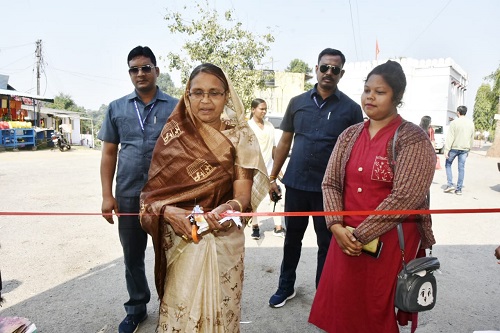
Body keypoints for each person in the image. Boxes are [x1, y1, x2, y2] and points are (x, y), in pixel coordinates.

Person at [309, 60, 436, 333]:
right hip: (344, 236)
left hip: (388, 239)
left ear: (397, 97)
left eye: (380, 92)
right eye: (367, 90)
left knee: (376, 310)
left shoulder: (412, 139)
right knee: (342, 306)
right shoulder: (349, 134)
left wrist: (360, 235)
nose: (370, 97)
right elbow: (330, 183)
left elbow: (405, 197)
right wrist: (335, 225)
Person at [139, 63, 269, 332]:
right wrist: (168, 213)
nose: (206, 100)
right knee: (182, 314)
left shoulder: (240, 135)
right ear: (187, 96)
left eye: (214, 93)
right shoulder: (174, 134)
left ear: (227, 96)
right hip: (181, 240)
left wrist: (228, 207)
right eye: (197, 92)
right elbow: (151, 197)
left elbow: (242, 196)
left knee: (222, 312)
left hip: (224, 240)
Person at [267, 48, 364, 308]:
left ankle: (324, 293)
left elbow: (356, 152)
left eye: (335, 69)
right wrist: (272, 177)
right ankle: (285, 287)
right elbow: (285, 141)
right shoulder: (297, 103)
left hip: (329, 191)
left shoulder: (351, 110)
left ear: (341, 74)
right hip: (296, 185)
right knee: (291, 240)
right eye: (324, 67)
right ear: (316, 69)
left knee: (327, 243)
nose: (328, 73)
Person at [98, 46, 178, 333]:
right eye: (134, 69)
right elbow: (109, 153)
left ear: (156, 71)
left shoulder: (176, 106)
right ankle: (137, 308)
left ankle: (172, 305)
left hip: (166, 196)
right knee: (132, 255)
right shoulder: (116, 108)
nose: (140, 73)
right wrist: (108, 195)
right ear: (129, 73)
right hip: (128, 195)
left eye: (146, 67)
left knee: (169, 253)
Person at [247, 98, 285, 239]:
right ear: (253, 109)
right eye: (261, 109)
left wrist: (278, 167)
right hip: (254, 168)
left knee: (275, 197)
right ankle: (255, 227)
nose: (264, 111)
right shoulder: (248, 127)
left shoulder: (269, 126)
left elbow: (274, 148)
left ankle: (278, 227)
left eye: (265, 109)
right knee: (254, 200)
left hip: (270, 168)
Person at [443, 105, 475, 195]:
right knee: (461, 168)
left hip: (454, 148)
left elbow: (450, 137)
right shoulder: (471, 123)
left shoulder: (454, 123)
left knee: (448, 164)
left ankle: (450, 184)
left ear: (458, 112)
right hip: (465, 149)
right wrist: (469, 149)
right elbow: (472, 137)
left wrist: (446, 149)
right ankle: (459, 189)